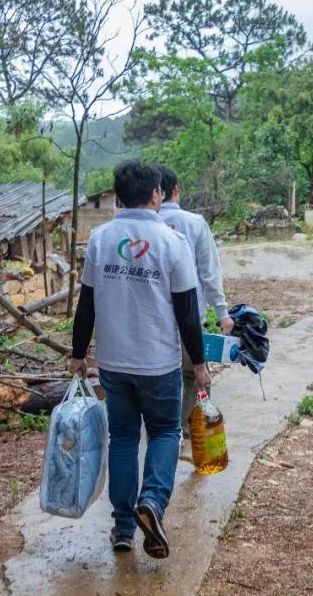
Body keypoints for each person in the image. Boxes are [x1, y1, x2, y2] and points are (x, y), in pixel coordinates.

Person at [68, 160, 209, 560]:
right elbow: (187, 312)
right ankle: (152, 501)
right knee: (165, 433)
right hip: (159, 364)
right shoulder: (171, 242)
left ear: (118, 196)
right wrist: (199, 365)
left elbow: (87, 304)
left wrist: (78, 355)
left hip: (114, 363)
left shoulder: (99, 238)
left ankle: (124, 528)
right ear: (156, 195)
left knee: (125, 439)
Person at [155, 165, 233, 435]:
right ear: (175, 190)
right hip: (188, 319)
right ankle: (187, 428)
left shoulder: (144, 227)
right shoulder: (194, 223)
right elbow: (209, 273)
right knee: (194, 375)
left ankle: (162, 429)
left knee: (159, 378)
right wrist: (222, 313)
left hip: (151, 323)